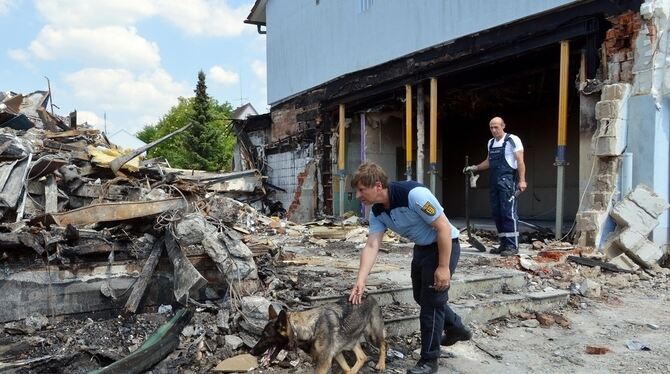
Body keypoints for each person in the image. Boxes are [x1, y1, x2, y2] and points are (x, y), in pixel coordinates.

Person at [348, 162, 471, 374]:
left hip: (444, 245)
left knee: (431, 305)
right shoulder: (377, 211)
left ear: (377, 185)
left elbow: (442, 227)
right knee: (421, 297)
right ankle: (456, 327)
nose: (359, 195)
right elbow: (372, 244)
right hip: (422, 248)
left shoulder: (414, 194)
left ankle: (429, 362)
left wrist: (443, 267)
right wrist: (360, 279)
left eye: (361, 190)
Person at [463, 116, 526, 256]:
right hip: (494, 182)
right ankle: (503, 245)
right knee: (497, 213)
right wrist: (474, 168)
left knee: (508, 213)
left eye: (496, 127)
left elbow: (520, 161)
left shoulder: (512, 140)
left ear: (503, 126)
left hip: (508, 182)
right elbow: (489, 162)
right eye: (491, 127)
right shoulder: (491, 143)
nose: (494, 130)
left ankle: (512, 246)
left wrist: (522, 180)